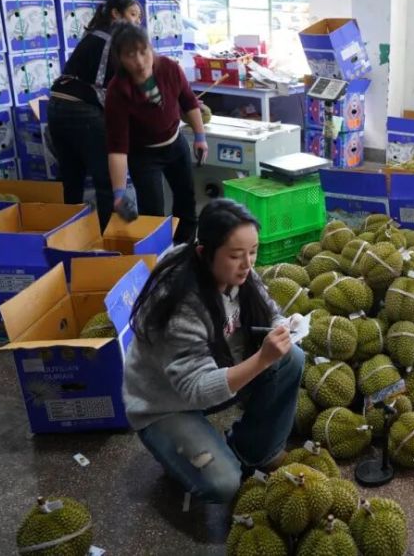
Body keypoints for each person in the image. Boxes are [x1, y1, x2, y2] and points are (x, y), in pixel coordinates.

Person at [122, 199, 304, 503]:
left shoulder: (237, 271)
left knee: (291, 358)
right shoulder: (179, 304)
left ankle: (255, 451)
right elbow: (196, 389)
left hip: (219, 370)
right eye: (236, 255)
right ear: (203, 253)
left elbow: (267, 308)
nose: (248, 264)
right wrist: (262, 359)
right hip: (166, 402)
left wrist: (282, 326)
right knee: (223, 484)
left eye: (253, 251)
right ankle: (177, 453)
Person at [105, 23, 208, 244]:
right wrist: (119, 193)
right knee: (153, 212)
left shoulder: (169, 68)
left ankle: (184, 251)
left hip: (175, 143)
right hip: (143, 155)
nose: (140, 61)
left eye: (144, 52)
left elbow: (189, 102)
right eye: (130, 55)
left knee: (186, 202)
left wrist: (200, 137)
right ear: (120, 59)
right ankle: (159, 257)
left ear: (151, 49)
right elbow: (118, 148)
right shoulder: (117, 91)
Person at [47, 0, 141, 230]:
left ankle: (69, 237)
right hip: (81, 110)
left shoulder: (94, 34)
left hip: (56, 106)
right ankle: (108, 238)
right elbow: (117, 86)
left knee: (71, 178)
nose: (137, 21)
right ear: (115, 14)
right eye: (133, 14)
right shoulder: (114, 39)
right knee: (106, 181)